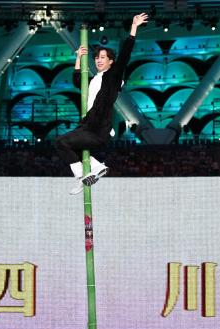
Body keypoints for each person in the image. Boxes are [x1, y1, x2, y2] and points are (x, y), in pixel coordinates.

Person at [56, 13, 148, 194]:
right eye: (97, 57)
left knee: (61, 142)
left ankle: (83, 176)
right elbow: (77, 81)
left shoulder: (113, 77)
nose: (98, 59)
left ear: (111, 62)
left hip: (98, 128)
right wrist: (78, 58)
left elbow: (125, 55)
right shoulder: (94, 80)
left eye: (103, 57)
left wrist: (134, 27)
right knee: (68, 146)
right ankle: (96, 167)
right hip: (87, 125)